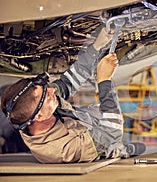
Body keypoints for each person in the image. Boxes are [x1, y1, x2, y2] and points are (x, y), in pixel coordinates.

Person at [1, 27, 145, 163]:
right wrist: (104, 81)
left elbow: (70, 80)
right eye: (48, 96)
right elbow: (112, 133)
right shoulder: (65, 149)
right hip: (98, 140)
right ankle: (120, 151)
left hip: (79, 120)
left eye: (46, 89)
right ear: (39, 117)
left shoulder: (36, 107)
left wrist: (96, 47)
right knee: (114, 145)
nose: (52, 91)